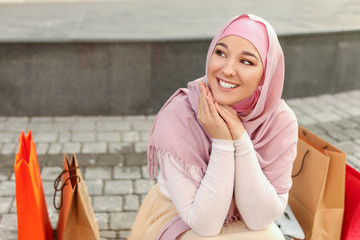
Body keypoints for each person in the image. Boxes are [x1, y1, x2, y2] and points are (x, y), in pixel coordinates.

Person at [129, 13, 298, 240]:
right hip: (179, 216)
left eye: (246, 61)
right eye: (221, 53)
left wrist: (238, 137)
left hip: (243, 219)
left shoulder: (278, 120)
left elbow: (260, 219)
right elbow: (205, 225)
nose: (227, 69)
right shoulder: (180, 116)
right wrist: (222, 142)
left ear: (265, 76)